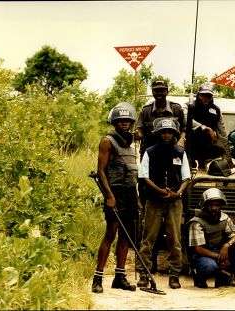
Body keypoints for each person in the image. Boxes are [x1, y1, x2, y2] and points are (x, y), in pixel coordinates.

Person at [136, 117, 191, 289]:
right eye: (163, 132)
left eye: (170, 132)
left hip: (174, 202)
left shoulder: (180, 152)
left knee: (175, 240)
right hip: (154, 200)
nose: (167, 135)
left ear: (175, 134)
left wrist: (178, 193)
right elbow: (144, 176)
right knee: (148, 239)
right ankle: (144, 273)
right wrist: (159, 191)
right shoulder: (150, 152)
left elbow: (186, 177)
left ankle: (174, 274)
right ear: (158, 134)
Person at [92, 102, 140, 293]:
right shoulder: (107, 141)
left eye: (127, 121)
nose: (124, 124)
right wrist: (109, 196)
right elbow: (100, 171)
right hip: (116, 191)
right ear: (114, 122)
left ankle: (120, 277)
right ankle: (98, 278)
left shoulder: (131, 141)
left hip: (130, 191)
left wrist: (137, 196)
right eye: (120, 121)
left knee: (126, 236)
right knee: (110, 233)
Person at [187, 188, 235, 288]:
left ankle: (224, 278)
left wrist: (227, 245)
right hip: (202, 255)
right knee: (210, 267)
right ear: (204, 205)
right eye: (210, 205)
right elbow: (198, 249)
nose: (214, 208)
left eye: (217, 205)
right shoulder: (197, 222)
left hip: (219, 250)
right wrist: (221, 258)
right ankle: (199, 277)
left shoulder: (224, 217)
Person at [185, 82, 235, 170]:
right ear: (198, 95)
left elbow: (222, 133)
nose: (206, 98)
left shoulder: (216, 110)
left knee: (220, 148)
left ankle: (203, 161)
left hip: (207, 143)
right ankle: (191, 161)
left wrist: (228, 159)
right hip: (189, 143)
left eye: (209, 96)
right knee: (201, 132)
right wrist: (206, 128)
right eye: (203, 95)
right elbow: (186, 120)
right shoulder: (188, 106)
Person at [134, 79, 187, 158]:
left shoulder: (176, 108)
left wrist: (182, 140)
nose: (159, 93)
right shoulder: (146, 110)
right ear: (152, 92)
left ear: (167, 91)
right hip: (150, 152)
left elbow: (184, 128)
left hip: (171, 151)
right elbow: (140, 130)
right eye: (156, 90)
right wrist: (137, 134)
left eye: (162, 91)